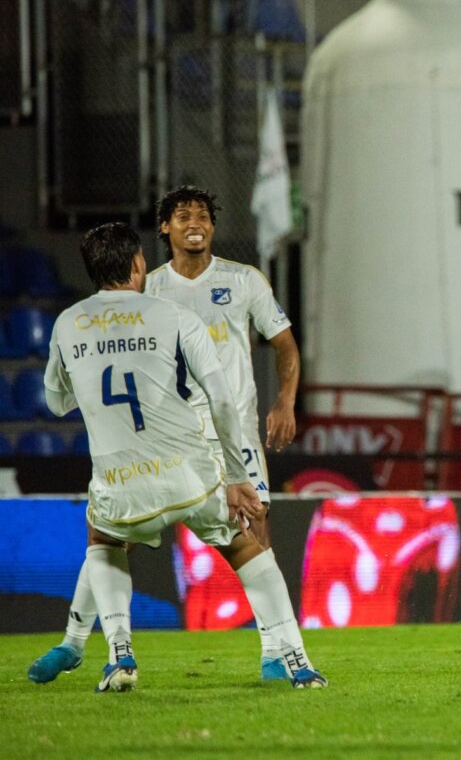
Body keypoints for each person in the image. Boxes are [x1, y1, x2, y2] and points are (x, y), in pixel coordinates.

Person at [26, 223, 325, 690]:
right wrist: (236, 475)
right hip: (190, 472)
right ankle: (297, 661)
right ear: (138, 264)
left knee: (102, 539)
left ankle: (119, 654)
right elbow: (223, 401)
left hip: (120, 479)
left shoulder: (66, 323)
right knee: (246, 546)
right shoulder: (173, 316)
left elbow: (55, 402)